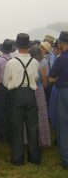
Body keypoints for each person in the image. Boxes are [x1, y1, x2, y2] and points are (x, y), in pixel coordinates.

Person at [3, 33, 41, 166]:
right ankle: (34, 157)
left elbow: (5, 83)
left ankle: (18, 158)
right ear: (28, 45)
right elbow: (36, 78)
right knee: (32, 127)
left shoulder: (11, 62)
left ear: (17, 46)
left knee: (17, 127)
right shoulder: (35, 62)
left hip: (16, 95)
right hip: (31, 94)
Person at [48, 31, 68, 169]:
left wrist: (58, 80)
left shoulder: (61, 59)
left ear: (61, 44)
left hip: (64, 92)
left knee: (63, 126)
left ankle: (66, 160)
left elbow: (50, 78)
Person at [0, 39, 16, 142]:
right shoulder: (13, 60)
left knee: (0, 111)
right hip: (11, 87)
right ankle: (10, 132)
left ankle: (2, 134)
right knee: (10, 109)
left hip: (1, 86)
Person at [29, 45, 51, 147]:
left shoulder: (28, 64)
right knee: (41, 116)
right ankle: (42, 139)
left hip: (30, 91)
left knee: (30, 116)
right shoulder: (41, 65)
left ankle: (29, 139)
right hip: (39, 91)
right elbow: (45, 82)